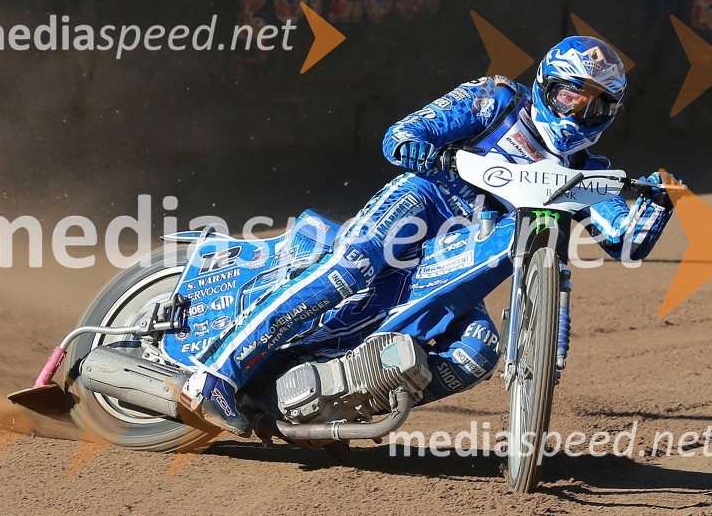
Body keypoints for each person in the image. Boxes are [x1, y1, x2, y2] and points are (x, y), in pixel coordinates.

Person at [180, 36, 679, 436]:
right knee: (354, 265)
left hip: (465, 254)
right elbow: (399, 136)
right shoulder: (497, 100)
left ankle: (325, 405)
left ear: (609, 113)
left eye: (594, 105)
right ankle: (218, 374)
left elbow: (627, 242)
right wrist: (428, 153)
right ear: (547, 86)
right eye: (571, 94)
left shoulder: (589, 171)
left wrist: (660, 203)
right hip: (426, 201)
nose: (576, 112)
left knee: (477, 350)